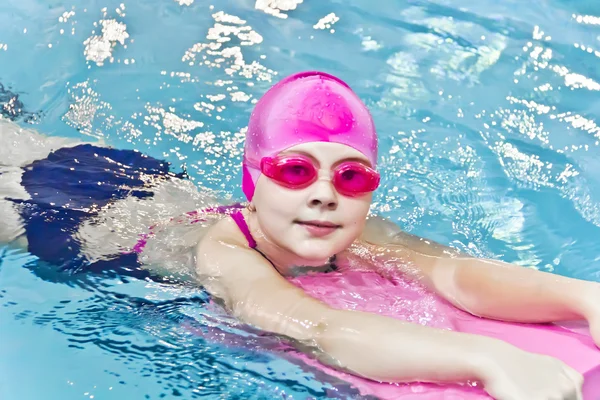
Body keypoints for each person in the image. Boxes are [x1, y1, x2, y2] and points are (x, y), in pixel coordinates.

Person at [2, 72, 600, 399]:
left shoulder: (353, 230)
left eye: (351, 175)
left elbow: (451, 272)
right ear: (252, 182)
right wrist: (486, 356)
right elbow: (314, 325)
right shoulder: (225, 253)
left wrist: (581, 296)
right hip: (53, 218)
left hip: (134, 177)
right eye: (294, 170)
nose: (324, 193)